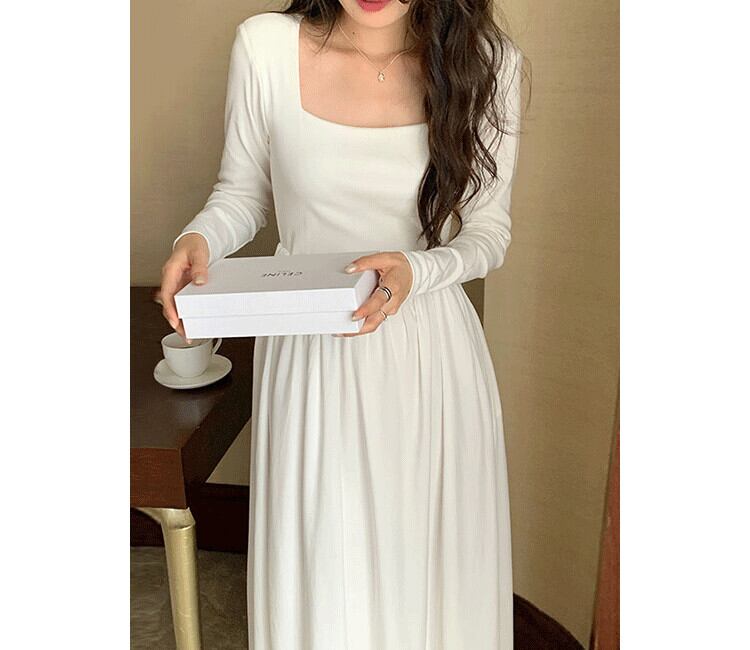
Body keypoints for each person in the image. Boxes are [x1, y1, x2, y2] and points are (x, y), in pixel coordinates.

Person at [159, 1, 523, 647]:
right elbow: (242, 192)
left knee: (428, 557)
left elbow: (488, 232)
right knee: (323, 555)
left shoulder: (489, 63)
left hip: (427, 349)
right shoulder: (266, 46)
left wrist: (418, 269)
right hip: (311, 348)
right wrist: (199, 240)